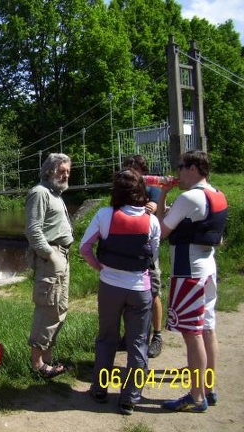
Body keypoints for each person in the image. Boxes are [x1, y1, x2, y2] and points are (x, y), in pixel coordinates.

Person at [79, 169, 160, 415]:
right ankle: (130, 398)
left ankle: (100, 389)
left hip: (110, 287)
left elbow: (85, 247)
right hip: (139, 289)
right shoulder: (152, 221)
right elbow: (153, 257)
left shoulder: (105, 215)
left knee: (107, 338)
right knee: (137, 342)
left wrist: (100, 266)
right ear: (140, 192)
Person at [157, 150, 228, 412]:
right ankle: (208, 388)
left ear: (195, 169)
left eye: (181, 166)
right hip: (208, 268)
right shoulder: (217, 194)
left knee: (192, 333)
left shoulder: (188, 197)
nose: (178, 172)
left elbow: (162, 230)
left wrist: (163, 193)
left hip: (188, 272)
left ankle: (196, 396)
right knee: (208, 328)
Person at [25, 153, 73, 379]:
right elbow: (33, 230)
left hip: (62, 256)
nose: (65, 175)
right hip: (51, 258)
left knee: (59, 309)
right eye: (61, 171)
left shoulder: (56, 195)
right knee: (47, 308)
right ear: (48, 171)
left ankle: (48, 360)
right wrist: (51, 256)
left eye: (67, 171)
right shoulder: (39, 193)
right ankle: (37, 365)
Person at [119, 155, 165, 358]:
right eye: (127, 167)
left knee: (153, 293)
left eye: (133, 167)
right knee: (124, 294)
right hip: (126, 250)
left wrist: (153, 205)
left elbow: (154, 206)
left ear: (141, 170)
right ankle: (129, 334)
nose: (129, 170)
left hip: (147, 250)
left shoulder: (151, 186)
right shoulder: (124, 188)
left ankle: (157, 336)